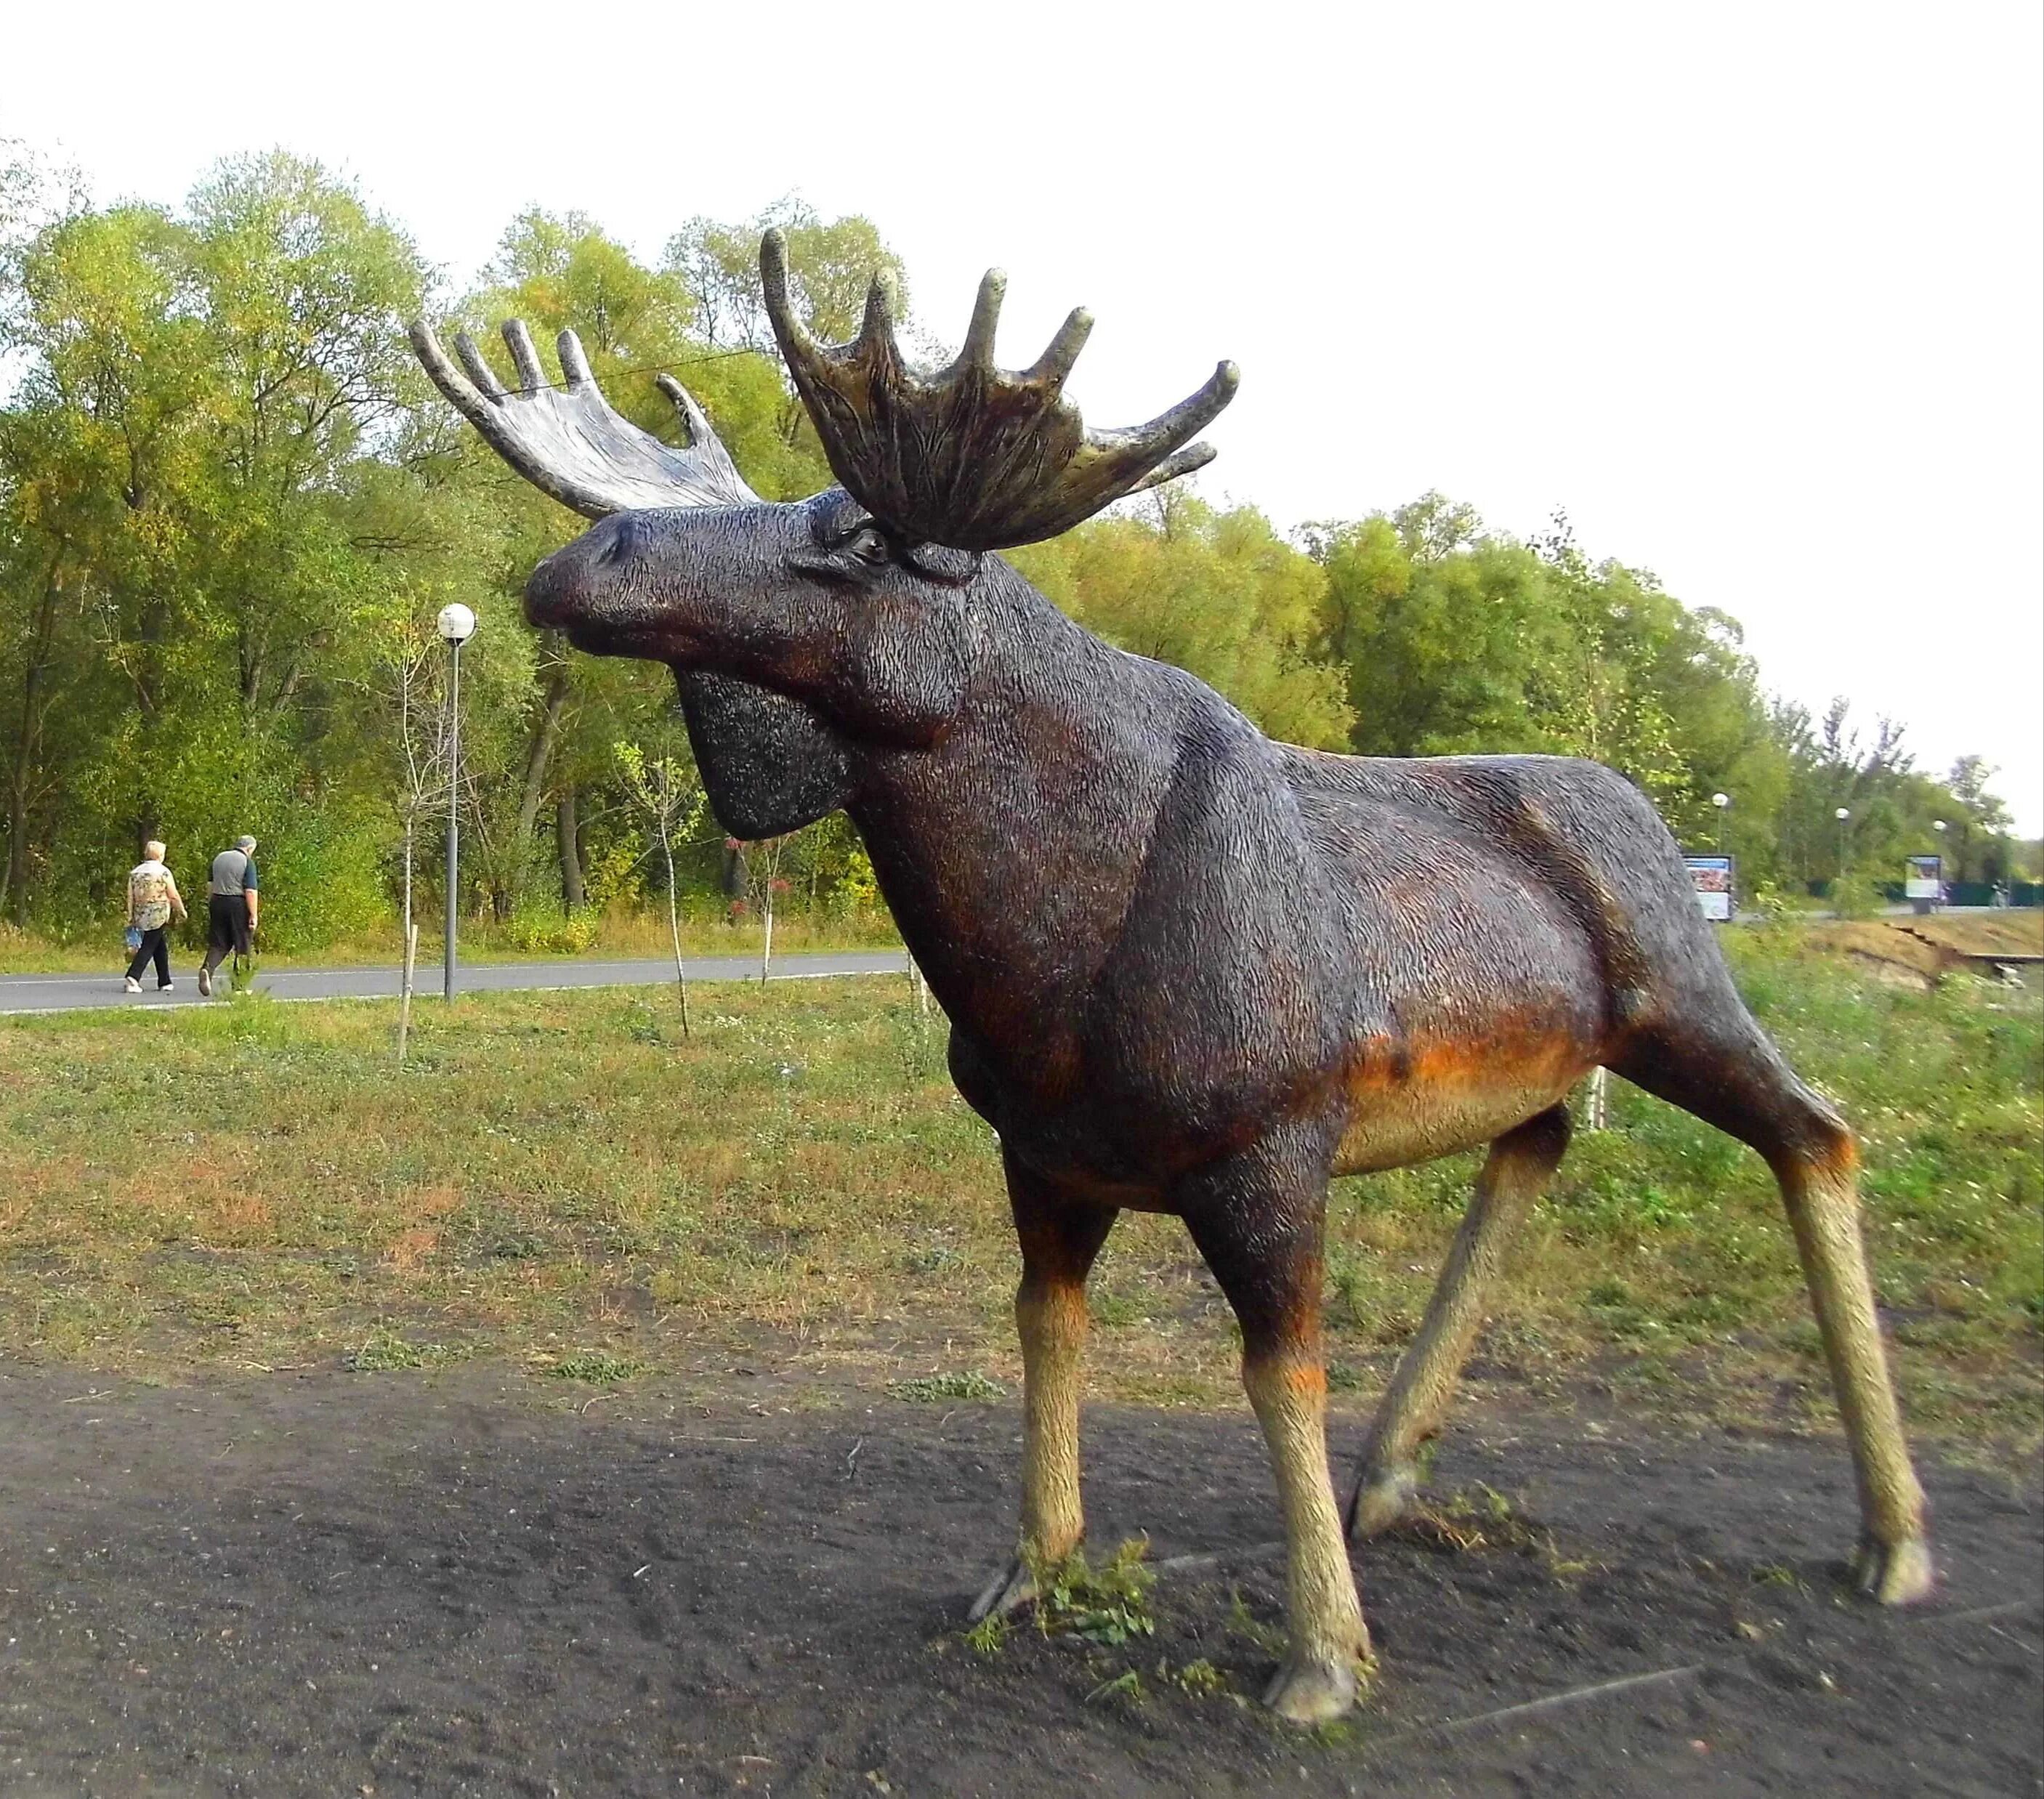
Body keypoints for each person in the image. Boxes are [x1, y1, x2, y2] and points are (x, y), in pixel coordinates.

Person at [199, 833, 261, 997]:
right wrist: (254, 915)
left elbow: (210, 885)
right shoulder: (247, 862)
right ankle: (240, 985)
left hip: (218, 901)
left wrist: (212, 903)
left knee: (219, 943)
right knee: (243, 943)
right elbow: (250, 891)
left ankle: (207, 969)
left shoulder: (219, 858)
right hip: (237, 904)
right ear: (249, 848)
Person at [124, 840, 187, 993]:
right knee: (149, 945)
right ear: (160, 855)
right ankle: (133, 976)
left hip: (140, 912)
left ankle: (164, 981)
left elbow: (130, 896)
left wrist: (130, 914)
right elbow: (173, 895)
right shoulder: (163, 872)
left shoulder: (136, 872)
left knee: (160, 945)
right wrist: (181, 910)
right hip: (158, 913)